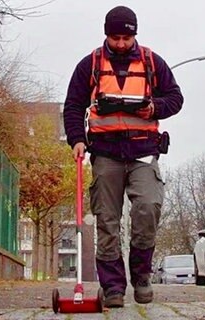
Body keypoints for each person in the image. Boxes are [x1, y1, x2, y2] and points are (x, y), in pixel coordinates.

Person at [63, 5, 183, 308]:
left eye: (125, 38)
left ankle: (141, 275)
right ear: (106, 34)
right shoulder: (89, 64)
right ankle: (113, 286)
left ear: (134, 36)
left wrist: (153, 108)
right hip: (105, 154)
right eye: (114, 37)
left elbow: (175, 98)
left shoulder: (152, 62)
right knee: (106, 220)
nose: (119, 44)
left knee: (147, 208)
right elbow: (74, 105)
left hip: (144, 151)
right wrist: (77, 140)